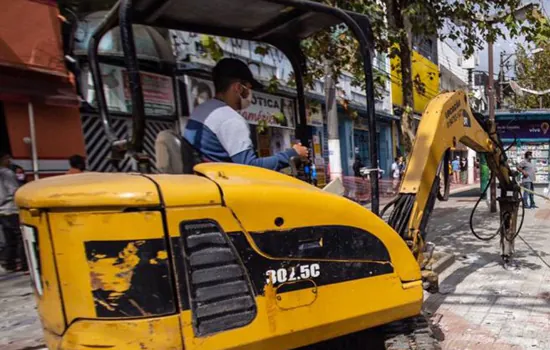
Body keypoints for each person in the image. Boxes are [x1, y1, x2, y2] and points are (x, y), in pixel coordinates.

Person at [184, 58, 307, 171]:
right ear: (238, 87)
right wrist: (292, 154)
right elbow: (250, 167)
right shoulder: (230, 119)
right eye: (248, 88)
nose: (250, 94)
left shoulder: (201, 110)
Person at [0, 151, 27, 272]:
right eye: (7, 158)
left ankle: (8, 262)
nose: (9, 161)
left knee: (9, 237)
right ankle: (23, 263)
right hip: (11, 208)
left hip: (2, 210)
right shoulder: (7, 173)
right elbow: (14, 190)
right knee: (20, 236)